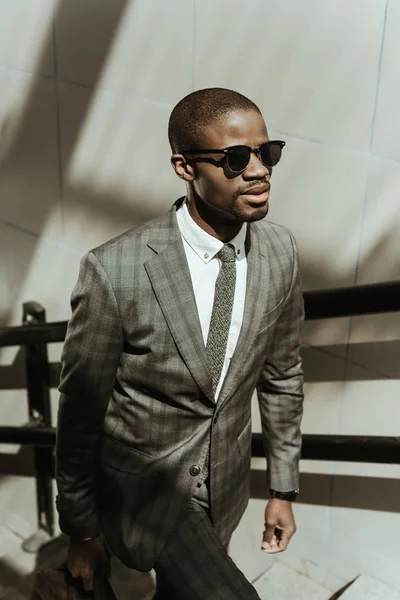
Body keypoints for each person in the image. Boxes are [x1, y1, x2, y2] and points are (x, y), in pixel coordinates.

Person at [56, 87, 304, 599]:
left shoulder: (280, 251)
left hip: (228, 485)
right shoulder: (115, 270)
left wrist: (282, 488)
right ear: (184, 166)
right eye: (236, 159)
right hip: (147, 491)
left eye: (267, 152)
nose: (259, 170)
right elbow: (80, 411)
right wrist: (81, 530)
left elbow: (281, 377)